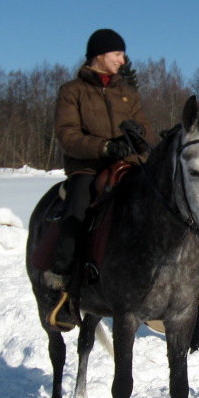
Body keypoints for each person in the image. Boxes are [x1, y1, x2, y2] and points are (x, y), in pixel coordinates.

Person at [51, 28, 156, 282]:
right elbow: (68, 136)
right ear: (99, 54)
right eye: (118, 54)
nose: (123, 60)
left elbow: (148, 134)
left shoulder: (128, 93)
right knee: (77, 212)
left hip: (130, 167)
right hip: (89, 168)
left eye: (123, 55)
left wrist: (138, 134)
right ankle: (63, 281)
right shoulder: (71, 91)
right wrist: (105, 147)